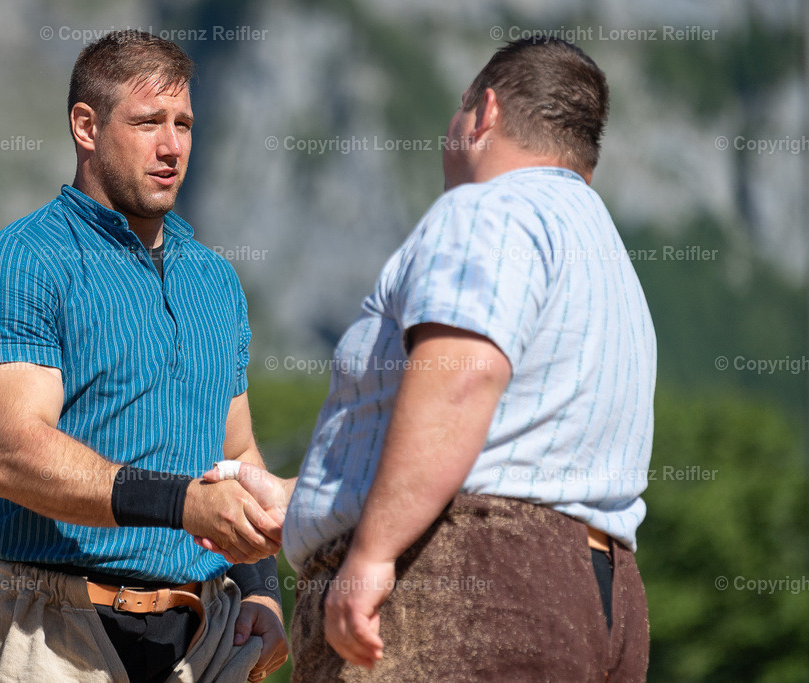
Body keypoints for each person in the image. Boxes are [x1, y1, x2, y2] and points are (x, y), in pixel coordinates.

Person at [200, 37, 656, 680]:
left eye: (459, 108)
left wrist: (372, 553)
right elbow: (506, 449)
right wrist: (299, 501)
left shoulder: (489, 208)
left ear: (484, 112)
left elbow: (461, 381)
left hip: (466, 582)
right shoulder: (608, 260)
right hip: (601, 598)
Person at [0, 30, 287, 683]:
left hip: (205, 630)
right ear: (87, 126)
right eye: (148, 121)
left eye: (184, 124)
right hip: (49, 630)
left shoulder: (215, 280)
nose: (172, 145)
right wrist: (184, 503)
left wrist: (263, 590)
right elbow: (11, 451)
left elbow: (237, 452)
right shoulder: (16, 263)